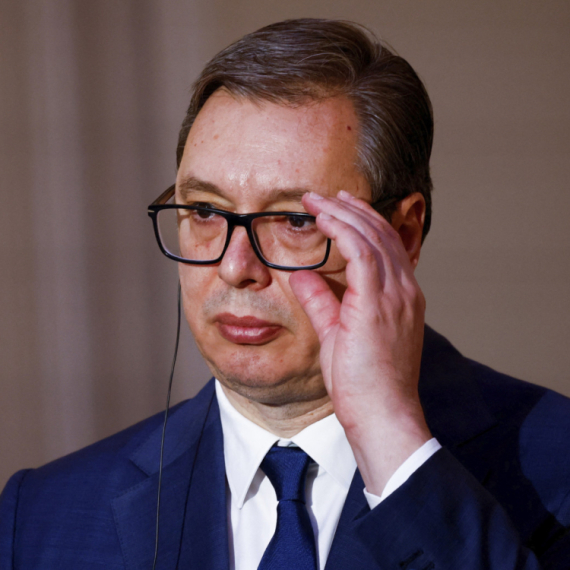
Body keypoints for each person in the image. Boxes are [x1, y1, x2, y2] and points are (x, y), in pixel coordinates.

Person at [1, 18, 569, 570]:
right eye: (205, 211)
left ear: (402, 235)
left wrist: (391, 442)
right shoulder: (41, 516)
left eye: (296, 221)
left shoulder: (557, 466)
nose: (234, 268)